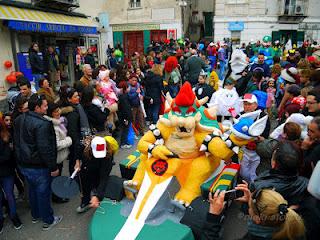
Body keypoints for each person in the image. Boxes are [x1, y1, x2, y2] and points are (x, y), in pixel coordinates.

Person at [14, 94, 62, 230]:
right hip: (38, 166)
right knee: (43, 193)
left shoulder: (19, 119)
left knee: (33, 191)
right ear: (37, 108)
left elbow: (17, 142)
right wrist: (53, 167)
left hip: (24, 164)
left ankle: (35, 215)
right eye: (45, 106)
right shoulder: (43, 124)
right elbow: (45, 149)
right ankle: (48, 220)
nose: (47, 108)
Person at [202, 184, 305, 240]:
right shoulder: (294, 227)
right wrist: (250, 203)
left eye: (250, 208)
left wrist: (213, 216)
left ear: (257, 219)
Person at [252, 141, 308, 206]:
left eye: (273, 156)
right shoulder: (307, 184)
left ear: (274, 164)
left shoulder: (259, 186)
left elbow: (250, 208)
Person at [45, 103, 72, 203]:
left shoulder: (58, 122)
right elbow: (57, 145)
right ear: (50, 114)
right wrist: (69, 140)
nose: (58, 112)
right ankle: (57, 197)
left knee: (58, 176)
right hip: (56, 157)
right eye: (55, 111)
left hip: (59, 156)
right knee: (56, 177)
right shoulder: (53, 126)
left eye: (58, 110)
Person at [0, 116, 22, 233]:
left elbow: (7, 155)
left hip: (6, 172)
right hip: (6, 170)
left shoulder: (5, 137)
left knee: (9, 195)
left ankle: (14, 217)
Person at [59, 87, 83, 176]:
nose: (78, 98)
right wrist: (77, 157)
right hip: (74, 144)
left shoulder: (66, 110)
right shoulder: (72, 113)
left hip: (70, 142)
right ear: (69, 99)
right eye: (75, 96)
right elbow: (73, 133)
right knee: (74, 168)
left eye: (78, 96)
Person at [117, 81, 133, 149]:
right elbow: (125, 109)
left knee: (125, 130)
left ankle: (124, 142)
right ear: (125, 88)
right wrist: (125, 119)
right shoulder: (124, 97)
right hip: (125, 117)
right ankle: (123, 143)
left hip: (123, 116)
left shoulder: (122, 96)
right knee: (125, 130)